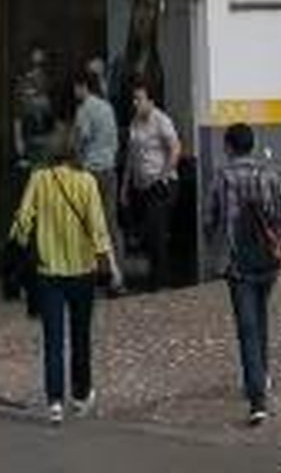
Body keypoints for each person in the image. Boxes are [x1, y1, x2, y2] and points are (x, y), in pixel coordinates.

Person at [11, 125, 118, 421]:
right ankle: (81, 394)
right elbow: (98, 228)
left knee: (53, 339)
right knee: (81, 336)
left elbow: (22, 221)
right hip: (82, 271)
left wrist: (16, 249)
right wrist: (109, 263)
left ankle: (54, 401)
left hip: (48, 271)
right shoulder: (87, 183)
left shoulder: (39, 179)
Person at [204, 120, 281, 426]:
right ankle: (262, 376)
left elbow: (209, 218)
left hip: (237, 263)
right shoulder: (268, 174)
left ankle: (256, 396)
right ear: (253, 145)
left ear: (228, 147)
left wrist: (214, 247)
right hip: (268, 261)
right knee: (260, 317)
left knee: (246, 326)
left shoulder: (222, 177)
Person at [120, 84, 183, 290]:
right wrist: (125, 185)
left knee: (155, 230)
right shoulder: (135, 122)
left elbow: (175, 148)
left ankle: (160, 282)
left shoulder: (161, 120)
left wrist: (163, 174)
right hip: (142, 186)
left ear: (151, 101)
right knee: (147, 232)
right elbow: (131, 156)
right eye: (134, 99)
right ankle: (155, 277)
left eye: (139, 99)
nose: (135, 103)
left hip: (161, 185)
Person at [71, 61, 120, 281]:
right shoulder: (107, 107)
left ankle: (92, 271)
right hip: (109, 170)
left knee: (88, 222)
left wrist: (76, 162)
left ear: (82, 87)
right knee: (109, 222)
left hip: (90, 171)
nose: (74, 93)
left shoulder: (85, 110)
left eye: (75, 88)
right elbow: (115, 140)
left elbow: (80, 141)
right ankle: (115, 272)